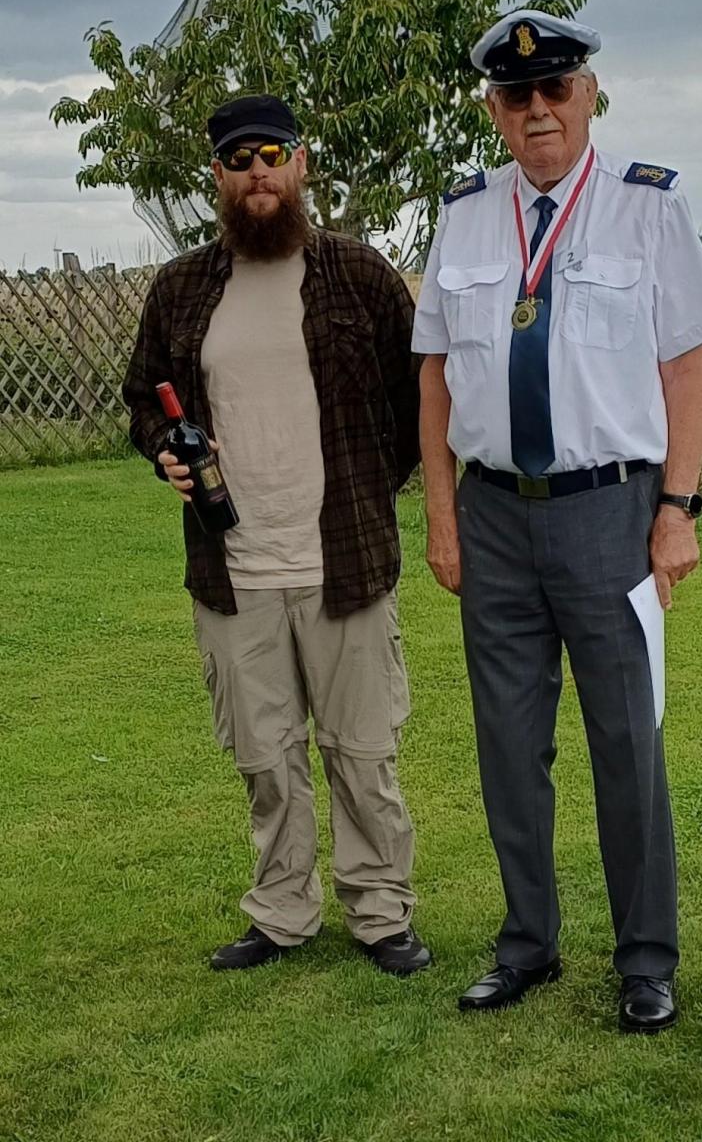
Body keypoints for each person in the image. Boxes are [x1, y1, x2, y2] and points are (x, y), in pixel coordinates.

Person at [412, 11, 702, 1030]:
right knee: (509, 745)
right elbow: (434, 377)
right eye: (518, 96)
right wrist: (441, 517)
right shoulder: (465, 215)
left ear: (589, 95)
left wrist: (677, 509)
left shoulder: (648, 207)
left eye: (556, 88)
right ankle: (527, 944)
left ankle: (645, 959)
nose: (538, 109)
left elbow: (688, 370)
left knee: (625, 742)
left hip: (610, 511)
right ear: (494, 111)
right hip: (494, 515)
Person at [123, 93, 431, 977]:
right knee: (265, 757)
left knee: (362, 753)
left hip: (345, 562)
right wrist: (165, 450)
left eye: (272, 154)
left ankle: (380, 913)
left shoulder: (359, 274)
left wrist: (368, 489)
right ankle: (283, 912)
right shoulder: (181, 287)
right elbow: (145, 399)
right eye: (238, 159)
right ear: (217, 175)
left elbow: (417, 400)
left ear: (300, 163)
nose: (257, 172)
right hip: (234, 571)